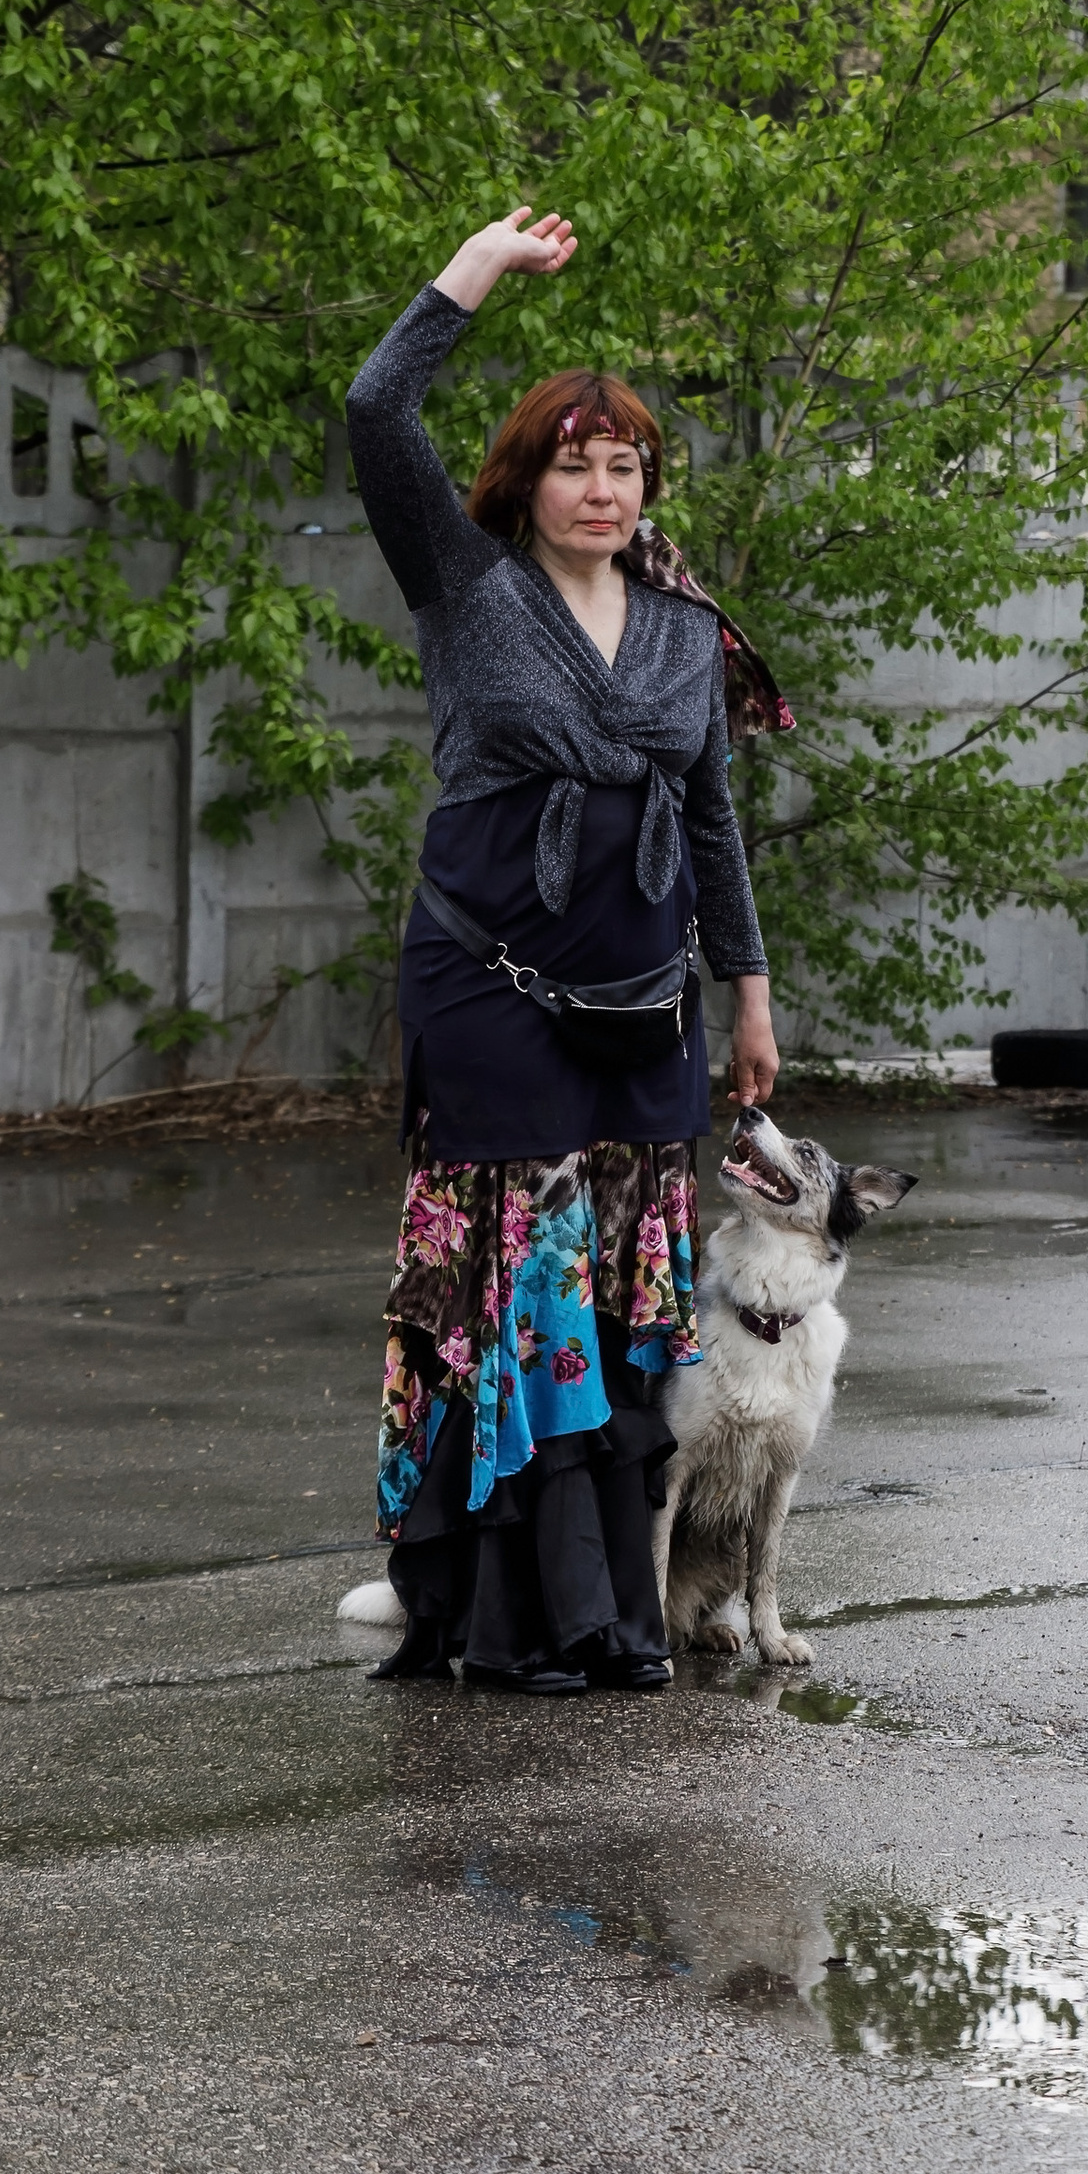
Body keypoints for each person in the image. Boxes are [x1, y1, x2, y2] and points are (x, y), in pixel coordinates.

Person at [344, 205, 786, 1692]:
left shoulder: (680, 624)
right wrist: (473, 268)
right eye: (573, 461)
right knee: (514, 1290)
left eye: (624, 464)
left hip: (645, 1008)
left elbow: (712, 811)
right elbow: (375, 404)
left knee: (616, 1296)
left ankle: (620, 1610)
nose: (601, 485)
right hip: (487, 990)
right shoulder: (466, 588)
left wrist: (751, 991)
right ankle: (507, 1613)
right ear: (525, 479)